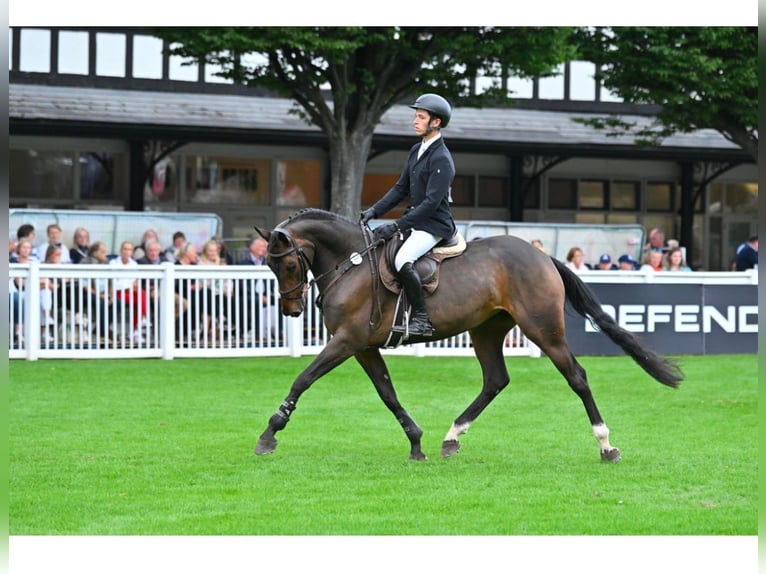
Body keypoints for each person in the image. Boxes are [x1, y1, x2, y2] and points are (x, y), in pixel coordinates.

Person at [360, 93, 456, 338]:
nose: (415, 121)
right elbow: (401, 188)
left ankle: (422, 319)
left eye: (421, 117)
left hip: (434, 225)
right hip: (417, 221)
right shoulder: (417, 150)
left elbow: (432, 203)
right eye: (416, 116)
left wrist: (395, 225)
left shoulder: (442, 158)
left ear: (435, 122)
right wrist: (374, 210)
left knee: (403, 259)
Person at [238, 235, 278, 342]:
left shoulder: (267, 262)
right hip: (247, 296)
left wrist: (271, 294)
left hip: (266, 295)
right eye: (260, 246)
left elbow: (271, 282)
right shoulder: (243, 263)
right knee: (256, 301)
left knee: (281, 300)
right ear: (252, 247)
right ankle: (257, 333)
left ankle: (279, 332)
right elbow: (242, 285)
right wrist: (258, 296)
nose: (264, 249)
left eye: (265, 246)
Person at [109, 241, 149, 342]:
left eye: (129, 250)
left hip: (131, 292)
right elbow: (114, 282)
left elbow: (135, 280)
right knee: (140, 299)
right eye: (125, 249)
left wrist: (133, 286)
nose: (127, 252)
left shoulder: (134, 264)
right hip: (117, 292)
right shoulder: (113, 263)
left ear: (132, 252)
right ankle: (140, 322)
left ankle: (137, 328)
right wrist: (128, 287)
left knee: (142, 294)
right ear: (121, 250)